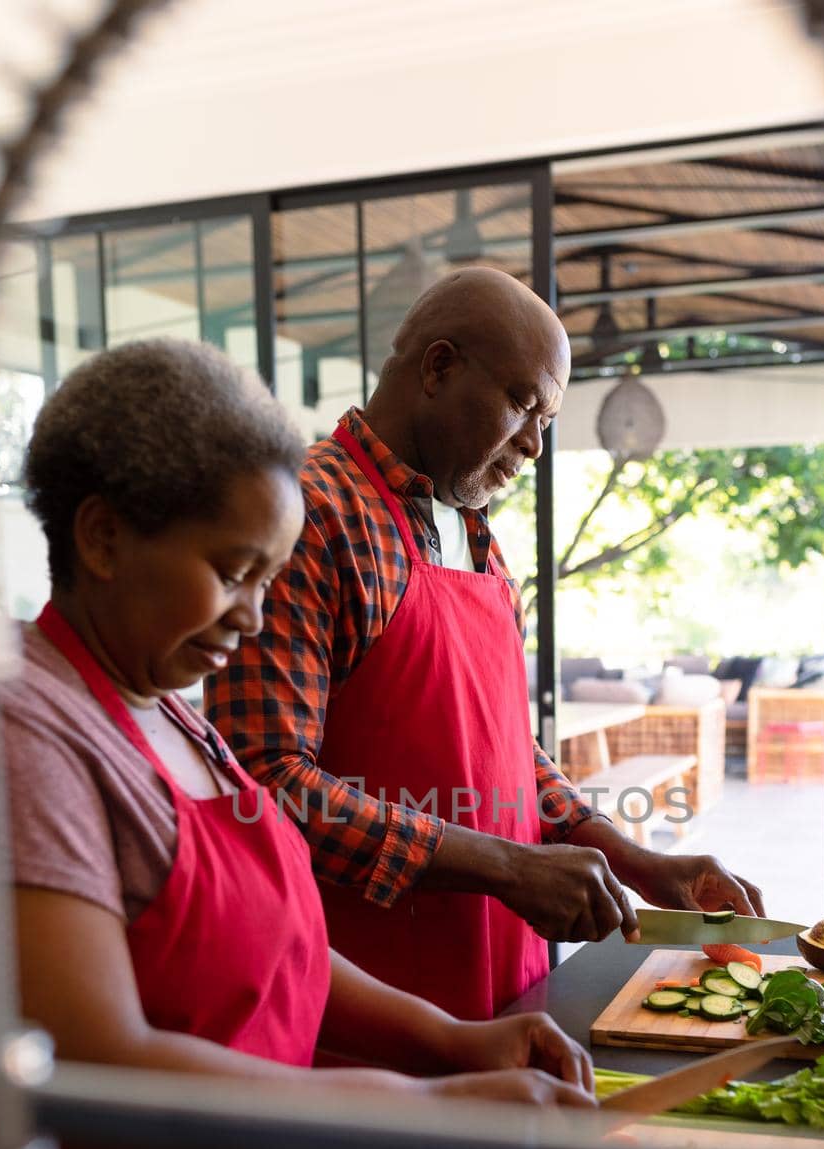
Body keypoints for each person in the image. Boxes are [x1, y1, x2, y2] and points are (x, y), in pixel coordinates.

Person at [0, 339, 595, 1149]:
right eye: (231, 569)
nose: (252, 613)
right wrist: (425, 1107)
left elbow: (281, 946)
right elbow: (97, 1063)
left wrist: (448, 1037)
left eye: (268, 576)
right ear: (101, 537)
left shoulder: (167, 708)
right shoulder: (10, 734)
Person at [206, 267, 763, 1022]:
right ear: (438, 368)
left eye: (546, 419)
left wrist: (636, 863)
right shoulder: (310, 514)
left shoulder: (474, 536)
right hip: (373, 1019)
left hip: (514, 991)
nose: (534, 444)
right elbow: (265, 785)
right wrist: (503, 867)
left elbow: (504, 747)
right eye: (523, 404)